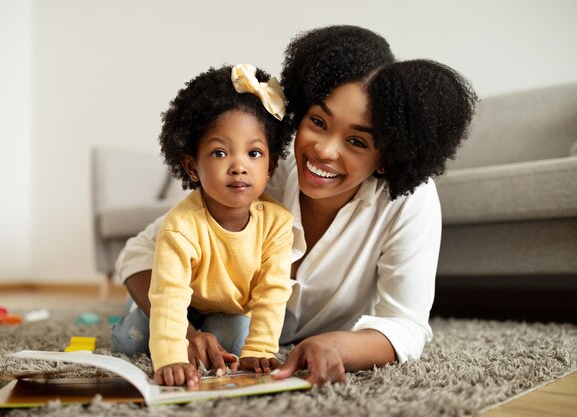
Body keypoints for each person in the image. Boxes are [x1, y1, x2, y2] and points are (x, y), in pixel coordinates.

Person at [112, 25, 477, 386]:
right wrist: (186, 334)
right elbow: (141, 255)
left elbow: (406, 323)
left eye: (357, 141)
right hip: (202, 309)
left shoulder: (409, 200)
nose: (325, 150)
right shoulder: (262, 167)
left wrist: (338, 345)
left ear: (386, 157)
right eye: (318, 122)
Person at [143, 64, 295, 386]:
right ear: (192, 167)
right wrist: (171, 356)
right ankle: (136, 310)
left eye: (254, 153)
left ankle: (206, 329)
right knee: (133, 337)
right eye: (220, 152)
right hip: (182, 299)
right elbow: (171, 295)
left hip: (228, 306)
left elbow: (272, 291)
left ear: (269, 168)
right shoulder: (181, 226)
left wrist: (261, 348)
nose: (239, 166)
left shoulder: (277, 224)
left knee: (238, 340)